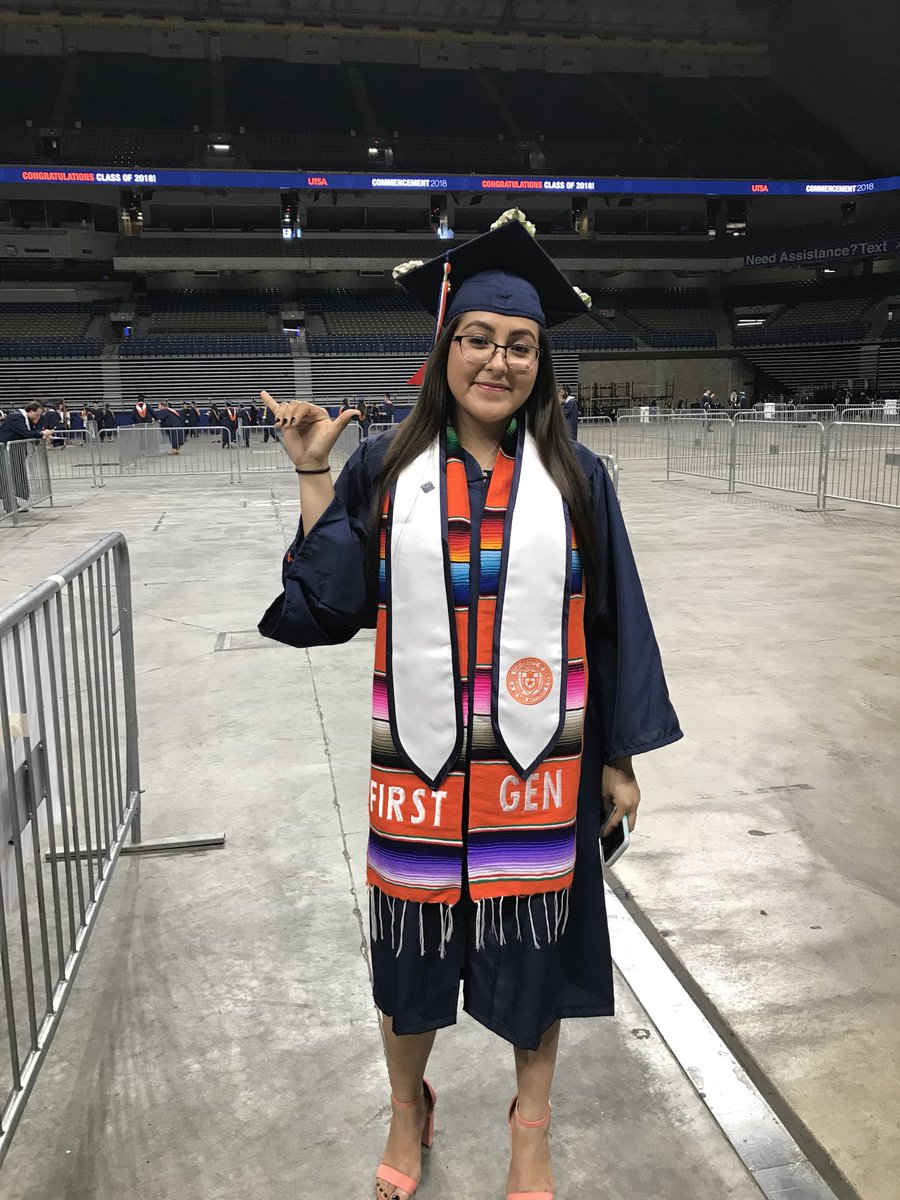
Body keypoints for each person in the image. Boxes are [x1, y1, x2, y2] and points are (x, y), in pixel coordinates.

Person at [258, 213, 682, 1200]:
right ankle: (412, 1111)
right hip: (419, 771)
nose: (500, 360)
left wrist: (619, 757)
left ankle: (529, 1132)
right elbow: (328, 605)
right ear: (446, 347)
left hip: (539, 772)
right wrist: (316, 472)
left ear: (542, 359)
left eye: (521, 344)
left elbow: (613, 624)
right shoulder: (387, 472)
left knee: (535, 962)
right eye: (481, 338)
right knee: (408, 967)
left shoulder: (579, 482)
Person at [0, 400, 52, 509]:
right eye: (37, 414)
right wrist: (42, 434)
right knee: (7, 478)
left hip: (13, 452)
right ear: (31, 411)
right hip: (6, 452)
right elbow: (26, 433)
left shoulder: (23, 418)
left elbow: (32, 431)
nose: (37, 418)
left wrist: (42, 434)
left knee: (12, 477)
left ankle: (11, 504)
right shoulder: (16, 417)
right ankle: (10, 505)